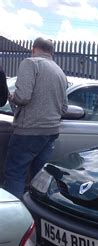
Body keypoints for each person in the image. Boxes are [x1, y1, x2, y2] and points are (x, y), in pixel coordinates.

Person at [3, 37, 68, 199]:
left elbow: (23, 97)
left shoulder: (30, 63)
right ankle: (37, 215)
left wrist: (12, 97)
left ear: (33, 49)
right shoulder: (59, 71)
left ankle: (15, 219)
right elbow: (64, 107)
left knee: (14, 174)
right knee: (39, 178)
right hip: (51, 132)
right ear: (51, 52)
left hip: (29, 130)